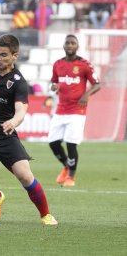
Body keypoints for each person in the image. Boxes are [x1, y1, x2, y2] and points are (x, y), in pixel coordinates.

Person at [0, 34, 58, 226]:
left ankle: (46, 214)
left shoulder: (18, 82)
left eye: (4, 55)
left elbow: (21, 111)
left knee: (24, 174)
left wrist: (13, 122)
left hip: (4, 134)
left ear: (15, 56)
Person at [48, 34, 101, 187]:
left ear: (77, 46)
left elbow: (97, 84)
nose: (70, 45)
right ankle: (66, 166)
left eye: (73, 43)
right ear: (64, 46)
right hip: (60, 110)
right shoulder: (57, 64)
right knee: (53, 143)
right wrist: (54, 86)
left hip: (77, 111)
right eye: (67, 43)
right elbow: (53, 82)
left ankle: (71, 177)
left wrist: (86, 94)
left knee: (71, 144)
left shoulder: (84, 64)